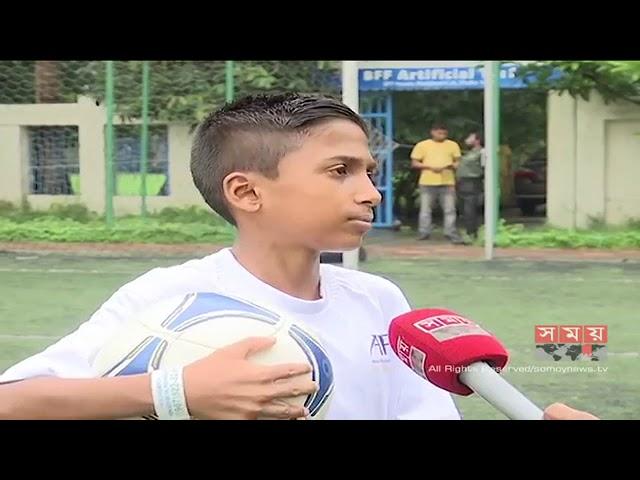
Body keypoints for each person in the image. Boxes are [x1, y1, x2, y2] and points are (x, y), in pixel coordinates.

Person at [0, 94, 596, 421]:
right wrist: (174, 392)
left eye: (370, 171)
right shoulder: (169, 296)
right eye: (341, 172)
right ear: (246, 192)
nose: (370, 192)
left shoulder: (381, 300)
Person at [410, 124, 465, 244]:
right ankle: (424, 232)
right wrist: (429, 167)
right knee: (425, 209)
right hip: (427, 181)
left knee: (450, 209)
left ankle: (450, 232)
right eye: (439, 133)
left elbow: (457, 162)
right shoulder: (422, 145)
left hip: (447, 181)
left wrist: (449, 166)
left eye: (444, 133)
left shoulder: (452, 145)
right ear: (433, 132)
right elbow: (415, 163)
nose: (442, 136)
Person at [456, 130, 485, 240]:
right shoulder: (471, 152)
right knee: (464, 208)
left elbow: (484, 168)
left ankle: (472, 232)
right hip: (463, 182)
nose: (467, 139)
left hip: (472, 182)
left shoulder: (482, 152)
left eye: (470, 137)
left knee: (470, 208)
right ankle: (470, 231)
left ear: (477, 140)